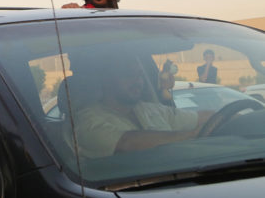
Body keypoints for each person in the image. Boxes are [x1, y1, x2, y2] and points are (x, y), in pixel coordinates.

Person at [72, 55, 211, 158]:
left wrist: (226, 116)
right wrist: (193, 135)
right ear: (107, 79)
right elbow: (128, 143)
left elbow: (200, 118)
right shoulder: (86, 120)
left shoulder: (152, 109)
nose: (138, 81)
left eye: (139, 75)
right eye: (128, 74)